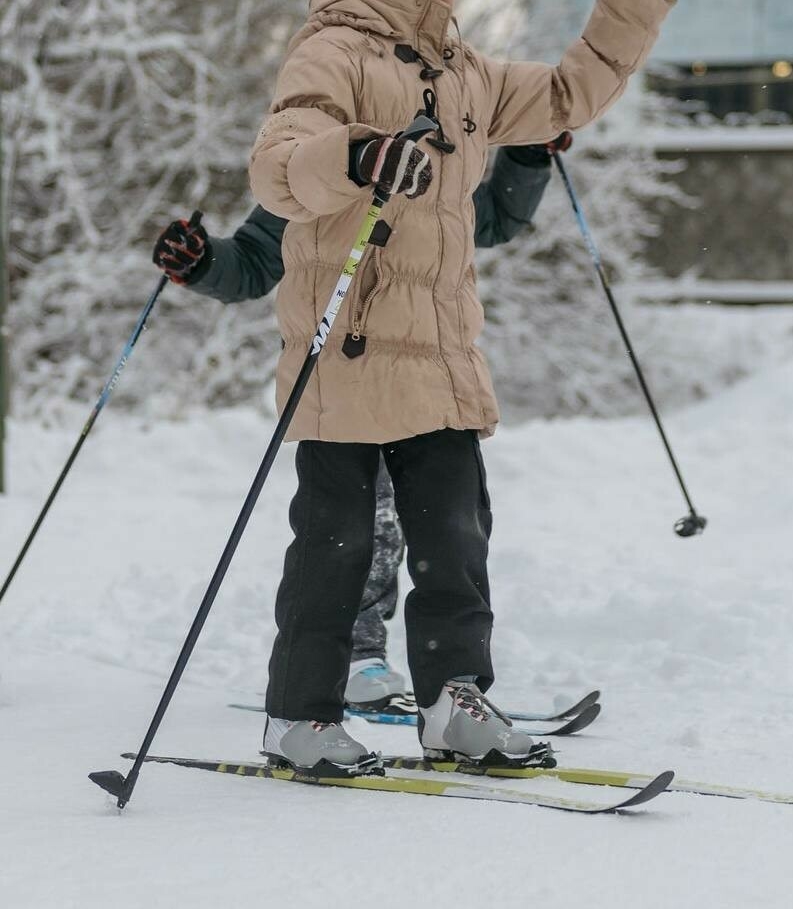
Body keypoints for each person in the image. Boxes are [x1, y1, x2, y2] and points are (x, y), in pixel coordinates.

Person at [246, 0, 674, 774]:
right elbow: (279, 164)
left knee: (454, 543)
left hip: (439, 358)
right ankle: (301, 717)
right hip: (349, 356)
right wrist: (359, 153)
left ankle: (454, 703)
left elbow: (564, 96)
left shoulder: (464, 70)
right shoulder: (333, 52)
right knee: (336, 546)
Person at [151, 135, 569, 714]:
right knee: (355, 526)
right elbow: (251, 261)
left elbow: (490, 220)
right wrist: (201, 262)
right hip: (340, 377)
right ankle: (356, 659)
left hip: (423, 370)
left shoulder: (438, 141)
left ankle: (449, 687)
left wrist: (525, 155)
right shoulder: (319, 155)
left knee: (447, 529)